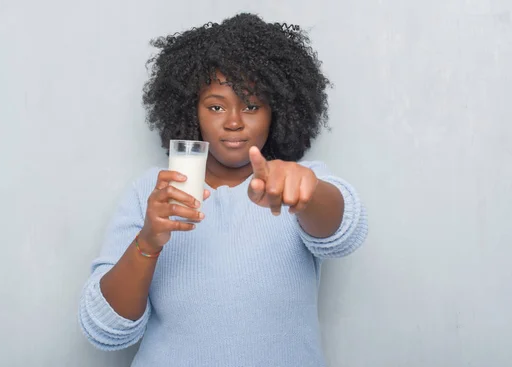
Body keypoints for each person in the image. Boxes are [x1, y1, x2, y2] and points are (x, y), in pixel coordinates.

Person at [78, 12, 368, 366]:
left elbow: (345, 230)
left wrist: (304, 193)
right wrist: (147, 242)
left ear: (276, 111)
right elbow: (106, 328)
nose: (233, 122)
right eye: (216, 106)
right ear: (190, 110)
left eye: (251, 105)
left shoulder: (296, 181)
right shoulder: (152, 193)